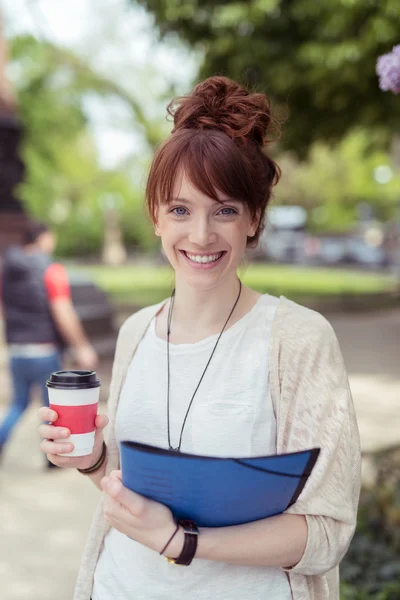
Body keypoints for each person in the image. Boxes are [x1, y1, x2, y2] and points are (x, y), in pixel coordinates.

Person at [38, 77, 361, 600]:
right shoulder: (136, 332)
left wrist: (183, 542)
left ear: (254, 220)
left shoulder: (297, 339)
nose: (202, 235)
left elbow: (326, 533)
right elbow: (136, 502)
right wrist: (94, 460)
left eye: (226, 210)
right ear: (157, 217)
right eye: (181, 210)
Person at [0, 220, 97, 464]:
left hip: (17, 350)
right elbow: (62, 310)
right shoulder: (51, 269)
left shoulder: (7, 270)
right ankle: (54, 459)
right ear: (43, 238)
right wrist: (82, 346)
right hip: (45, 350)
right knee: (54, 410)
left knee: (18, 403)